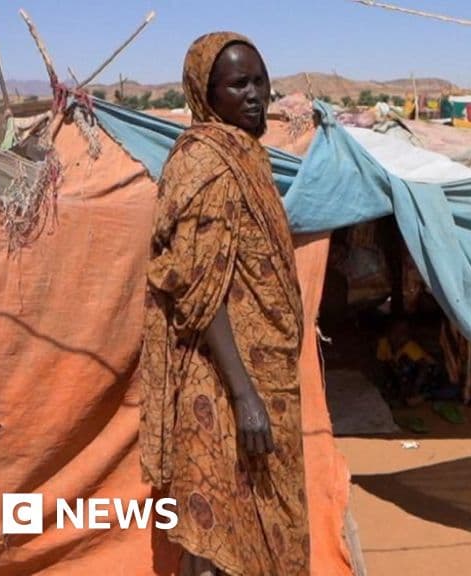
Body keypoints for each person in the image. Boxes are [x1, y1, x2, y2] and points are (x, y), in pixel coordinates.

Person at [140, 32, 309, 576]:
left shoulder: (248, 157)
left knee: (242, 533)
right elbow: (200, 288)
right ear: (206, 95)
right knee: (214, 540)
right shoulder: (206, 165)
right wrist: (244, 395)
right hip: (221, 383)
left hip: (266, 380)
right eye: (240, 84)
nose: (256, 95)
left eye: (260, 81)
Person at [376, 317, 436, 407]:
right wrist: (385, 382)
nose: (399, 336)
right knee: (393, 368)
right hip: (406, 372)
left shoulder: (410, 347)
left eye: (403, 333)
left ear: (408, 336)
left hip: (428, 371)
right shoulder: (383, 343)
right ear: (388, 332)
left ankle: (417, 394)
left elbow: (424, 366)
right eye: (395, 332)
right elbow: (382, 365)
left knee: (404, 362)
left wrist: (416, 386)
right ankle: (402, 392)